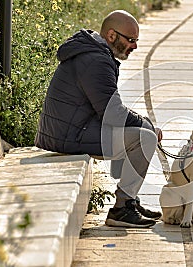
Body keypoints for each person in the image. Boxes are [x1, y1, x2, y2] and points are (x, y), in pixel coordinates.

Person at [35, 10, 163, 228]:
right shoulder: (95, 61)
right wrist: (146, 124)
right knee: (144, 138)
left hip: (70, 130)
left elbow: (108, 110)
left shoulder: (94, 53)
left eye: (136, 41)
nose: (135, 46)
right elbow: (113, 114)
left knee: (134, 133)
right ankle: (122, 210)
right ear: (112, 36)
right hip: (69, 135)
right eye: (130, 40)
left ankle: (129, 199)